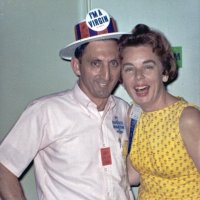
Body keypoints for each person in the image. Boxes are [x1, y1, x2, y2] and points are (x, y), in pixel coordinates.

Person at [0, 8, 134, 200]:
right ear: (77, 66)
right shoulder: (46, 111)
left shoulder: (123, 110)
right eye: (96, 63)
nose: (106, 75)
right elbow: (4, 168)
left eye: (113, 63)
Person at [119, 24, 200, 199]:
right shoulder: (135, 114)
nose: (138, 76)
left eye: (148, 66)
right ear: (122, 78)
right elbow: (133, 176)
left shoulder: (187, 118)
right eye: (129, 69)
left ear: (164, 72)